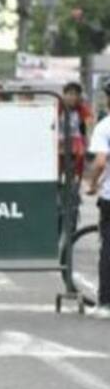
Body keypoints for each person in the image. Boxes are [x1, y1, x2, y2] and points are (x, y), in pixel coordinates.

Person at [85, 79, 110, 319]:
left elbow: (100, 162)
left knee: (108, 248)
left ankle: (105, 303)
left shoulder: (105, 126)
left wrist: (92, 184)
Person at [59, 81, 93, 181]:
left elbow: (89, 121)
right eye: (70, 94)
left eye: (76, 94)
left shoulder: (81, 108)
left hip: (75, 138)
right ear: (64, 95)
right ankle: (59, 175)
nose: (73, 97)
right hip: (60, 138)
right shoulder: (59, 107)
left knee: (80, 152)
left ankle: (77, 177)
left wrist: (89, 136)